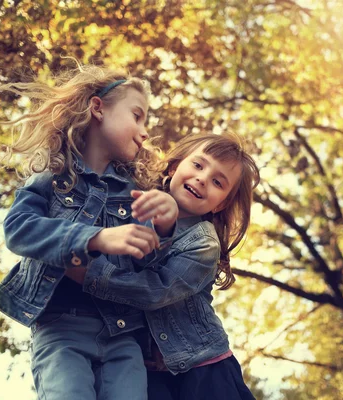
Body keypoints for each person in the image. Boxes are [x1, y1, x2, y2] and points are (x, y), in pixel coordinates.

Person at [0, 64, 178, 400]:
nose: (144, 132)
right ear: (98, 108)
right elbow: (19, 229)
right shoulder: (52, 178)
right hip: (61, 329)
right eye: (137, 116)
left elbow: (150, 266)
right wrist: (93, 238)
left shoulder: (134, 193)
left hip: (123, 335)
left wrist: (166, 226)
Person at [65, 132, 260, 400]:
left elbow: (154, 291)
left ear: (222, 203)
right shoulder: (131, 206)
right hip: (149, 369)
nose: (202, 179)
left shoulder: (204, 242)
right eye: (198, 165)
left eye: (217, 182)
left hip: (202, 366)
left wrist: (90, 275)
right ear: (173, 167)